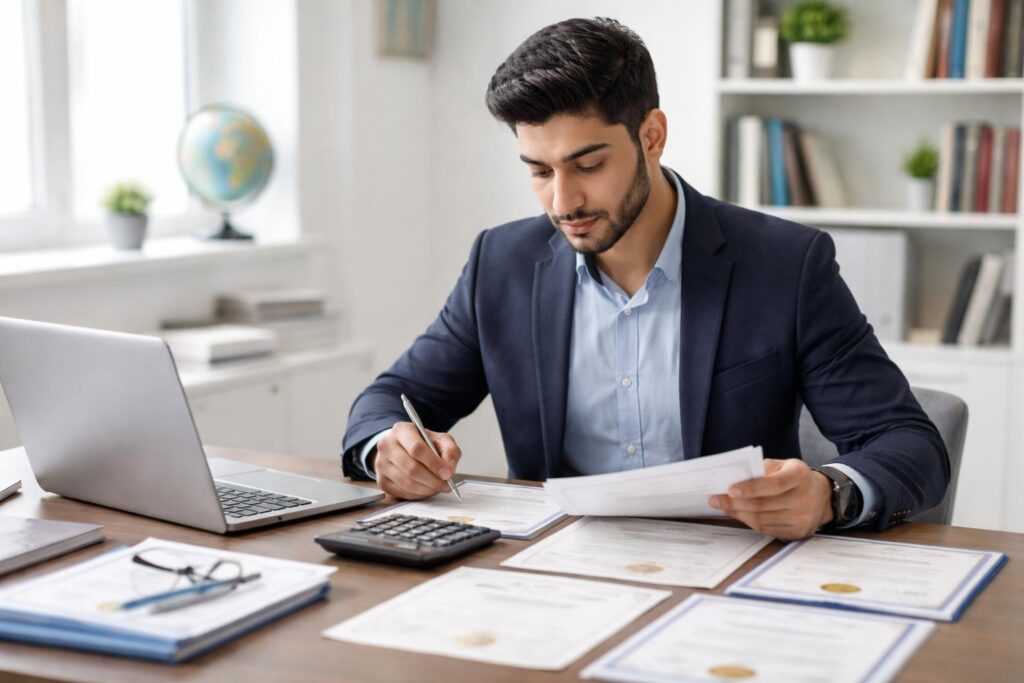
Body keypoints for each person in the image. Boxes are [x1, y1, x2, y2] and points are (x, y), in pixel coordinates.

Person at [341, 17, 949, 539]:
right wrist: (387, 450)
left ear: (651, 136)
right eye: (538, 170)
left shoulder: (785, 265)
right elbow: (387, 402)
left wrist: (829, 491)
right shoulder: (500, 265)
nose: (563, 200)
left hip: (729, 577)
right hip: (555, 576)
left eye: (589, 164)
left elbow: (908, 443)